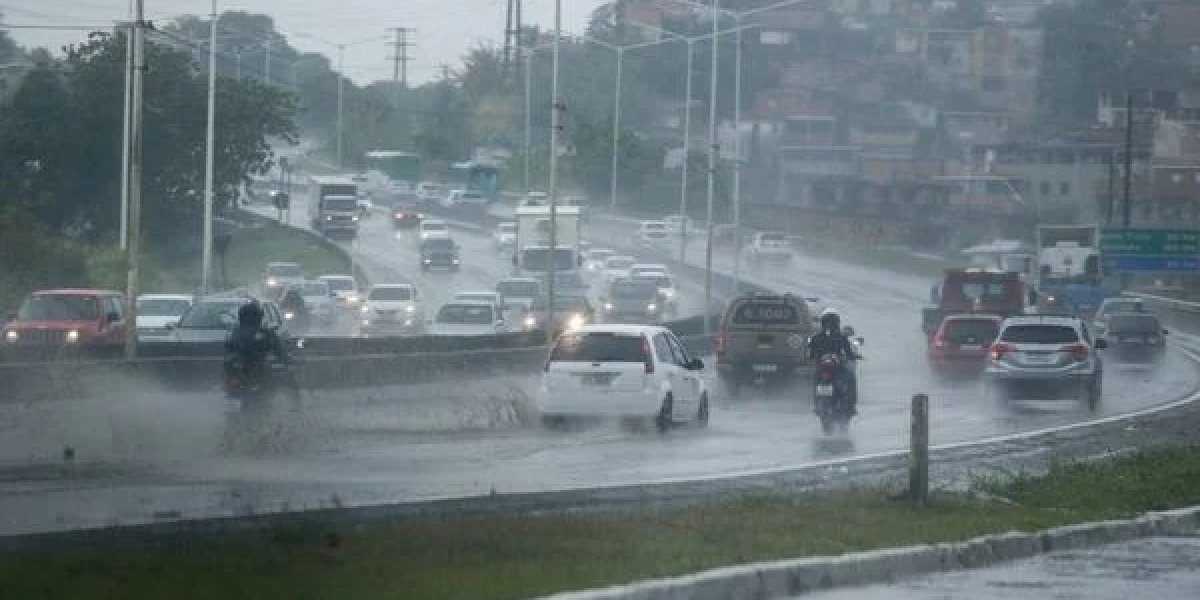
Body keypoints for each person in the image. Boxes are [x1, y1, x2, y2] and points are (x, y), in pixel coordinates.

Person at [224, 300, 289, 390]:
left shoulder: (234, 332)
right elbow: (278, 349)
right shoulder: (265, 332)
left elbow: (228, 347)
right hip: (249, 370)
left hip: (247, 371)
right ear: (258, 317)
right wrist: (285, 358)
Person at [807, 308, 861, 414]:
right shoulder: (840, 337)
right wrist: (853, 356)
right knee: (851, 378)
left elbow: (811, 353)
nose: (829, 324)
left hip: (825, 367)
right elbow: (848, 352)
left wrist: (813, 357)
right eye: (829, 321)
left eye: (831, 321)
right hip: (832, 367)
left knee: (816, 379)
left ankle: (817, 404)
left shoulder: (817, 337)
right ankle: (851, 405)